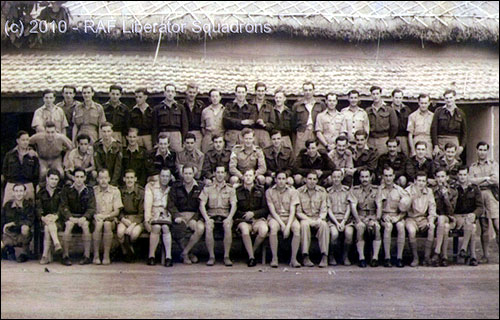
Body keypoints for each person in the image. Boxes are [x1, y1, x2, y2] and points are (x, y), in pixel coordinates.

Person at [199, 165, 237, 266]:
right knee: (208, 226)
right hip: (212, 214)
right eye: (218, 172)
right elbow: (202, 205)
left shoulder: (230, 189)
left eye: (222, 172)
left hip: (225, 215)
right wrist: (206, 218)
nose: (220, 175)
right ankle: (211, 256)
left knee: (227, 226)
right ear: (214, 174)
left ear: (225, 174)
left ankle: (226, 256)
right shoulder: (208, 188)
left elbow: (234, 205)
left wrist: (229, 218)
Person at [167, 166, 205, 265]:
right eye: (186, 174)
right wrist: (176, 216)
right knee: (178, 229)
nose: (188, 176)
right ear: (182, 174)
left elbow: (202, 205)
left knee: (200, 229)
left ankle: (185, 252)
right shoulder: (176, 186)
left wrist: (195, 218)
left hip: (195, 215)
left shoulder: (200, 187)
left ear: (193, 174)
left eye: (190, 173)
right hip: (180, 215)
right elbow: (171, 204)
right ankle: (189, 254)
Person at [469, 141, 499, 264]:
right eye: (480, 149)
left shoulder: (493, 164)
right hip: (479, 195)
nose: (482, 152)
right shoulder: (473, 166)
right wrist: (486, 178)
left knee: (497, 225)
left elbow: (496, 179)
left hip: (491, 195)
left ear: (488, 151)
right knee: (484, 227)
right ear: (477, 151)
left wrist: (480, 181)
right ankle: (485, 255)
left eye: (484, 150)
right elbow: (470, 181)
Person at [376, 166, 411, 268]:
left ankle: (399, 258)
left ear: (394, 176)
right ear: (383, 176)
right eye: (386, 176)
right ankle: (387, 258)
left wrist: (398, 217)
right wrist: (383, 216)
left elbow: (406, 209)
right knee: (388, 226)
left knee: (400, 226)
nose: (388, 178)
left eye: (390, 175)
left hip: (397, 216)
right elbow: (378, 207)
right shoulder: (380, 190)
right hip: (385, 216)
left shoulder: (400, 190)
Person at [59, 167, 95, 266]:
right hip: (70, 217)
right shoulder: (67, 190)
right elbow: (63, 206)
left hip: (84, 217)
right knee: (69, 225)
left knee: (85, 225)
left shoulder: (89, 190)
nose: (79, 179)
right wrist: (70, 217)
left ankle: (86, 256)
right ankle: (65, 256)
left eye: (81, 177)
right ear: (73, 178)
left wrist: (85, 217)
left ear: (85, 178)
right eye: (77, 176)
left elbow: (91, 208)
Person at [266, 171, 301, 268]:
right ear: (275, 180)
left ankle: (294, 259)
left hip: (289, 217)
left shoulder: (293, 192)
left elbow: (292, 211)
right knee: (273, 227)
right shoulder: (269, 192)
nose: (281, 181)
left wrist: (288, 226)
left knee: (297, 228)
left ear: (286, 180)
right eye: (279, 179)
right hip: (276, 217)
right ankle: (274, 258)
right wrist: (282, 225)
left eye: (283, 179)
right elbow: (272, 211)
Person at [234, 169, 269, 267]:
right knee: (245, 230)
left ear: (254, 177)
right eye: (246, 175)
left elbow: (265, 209)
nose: (248, 177)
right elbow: (234, 210)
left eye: (250, 175)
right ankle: (251, 258)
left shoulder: (261, 190)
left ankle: (251, 251)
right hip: (243, 219)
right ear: (243, 177)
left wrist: (253, 214)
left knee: (264, 230)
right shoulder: (237, 191)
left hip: (257, 218)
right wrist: (245, 215)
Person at [296, 171, 329, 268]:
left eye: (314, 179)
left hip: (318, 218)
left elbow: (324, 210)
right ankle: (305, 255)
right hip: (305, 218)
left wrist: (319, 219)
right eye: (310, 179)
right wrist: (309, 220)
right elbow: (298, 212)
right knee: (304, 225)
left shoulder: (322, 191)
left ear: (317, 180)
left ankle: (324, 255)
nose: (312, 181)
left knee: (324, 225)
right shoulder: (299, 192)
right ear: (305, 179)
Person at [350, 168, 382, 267]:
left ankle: (375, 258)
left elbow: (379, 206)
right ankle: (361, 258)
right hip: (359, 215)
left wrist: (376, 219)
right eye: (362, 177)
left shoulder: (377, 190)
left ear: (371, 178)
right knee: (360, 228)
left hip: (372, 216)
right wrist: (358, 220)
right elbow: (353, 207)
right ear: (359, 178)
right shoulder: (354, 190)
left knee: (377, 228)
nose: (365, 179)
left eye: (366, 177)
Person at [405, 172, 437, 267]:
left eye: (423, 181)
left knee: (431, 227)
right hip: (411, 218)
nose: (421, 183)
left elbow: (432, 207)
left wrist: (431, 221)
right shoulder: (408, 191)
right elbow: (404, 208)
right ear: (415, 181)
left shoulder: (429, 191)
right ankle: (415, 257)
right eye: (419, 180)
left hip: (423, 218)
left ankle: (427, 257)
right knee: (411, 231)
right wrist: (412, 198)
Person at [92, 168, 123, 265]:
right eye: (101, 178)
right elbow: (90, 207)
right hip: (97, 218)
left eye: (105, 178)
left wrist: (106, 216)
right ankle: (96, 255)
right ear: (97, 179)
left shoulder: (115, 191)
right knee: (99, 224)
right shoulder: (93, 191)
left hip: (110, 217)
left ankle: (106, 255)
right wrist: (95, 215)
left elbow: (117, 211)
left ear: (109, 179)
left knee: (107, 224)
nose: (103, 181)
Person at [454, 166, 483, 266]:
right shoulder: (454, 188)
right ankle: (472, 256)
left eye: (464, 175)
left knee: (472, 226)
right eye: (460, 175)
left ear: (468, 175)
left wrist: (474, 214)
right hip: (457, 217)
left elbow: (480, 207)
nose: (462, 177)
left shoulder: (474, 188)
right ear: (457, 175)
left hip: (469, 217)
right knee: (472, 226)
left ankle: (464, 250)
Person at [144, 168, 173, 267]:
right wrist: (147, 220)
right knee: (156, 227)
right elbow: (148, 204)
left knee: (165, 227)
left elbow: (172, 205)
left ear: (170, 178)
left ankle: (168, 257)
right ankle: (151, 256)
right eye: (163, 176)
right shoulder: (151, 187)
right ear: (159, 177)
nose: (165, 178)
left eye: (167, 176)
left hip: (166, 214)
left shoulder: (171, 188)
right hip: (154, 213)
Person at [326, 169, 356, 266]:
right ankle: (331, 255)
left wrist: (343, 221)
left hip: (345, 219)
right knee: (334, 234)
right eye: (334, 177)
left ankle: (345, 255)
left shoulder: (347, 191)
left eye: (338, 177)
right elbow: (329, 209)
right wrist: (337, 223)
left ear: (342, 178)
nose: (336, 179)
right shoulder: (328, 192)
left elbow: (349, 208)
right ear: (331, 178)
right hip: (333, 219)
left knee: (349, 234)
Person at [2, 130, 39, 206]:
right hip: (12, 184)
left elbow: (36, 172)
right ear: (18, 141)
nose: (25, 142)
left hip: (27, 184)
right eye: (23, 140)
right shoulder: (10, 155)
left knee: (30, 207)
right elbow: (5, 170)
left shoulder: (33, 156)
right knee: (7, 208)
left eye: (27, 140)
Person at [431, 167, 458, 267]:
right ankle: (444, 257)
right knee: (445, 228)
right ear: (435, 178)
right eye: (438, 177)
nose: (440, 179)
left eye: (442, 176)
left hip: (448, 218)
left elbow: (451, 211)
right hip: (435, 218)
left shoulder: (453, 191)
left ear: (446, 177)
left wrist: (446, 196)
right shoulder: (432, 191)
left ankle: (437, 251)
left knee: (443, 219)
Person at [1, 184, 35, 263]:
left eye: (21, 191)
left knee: (25, 228)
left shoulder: (28, 206)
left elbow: (30, 221)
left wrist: (14, 223)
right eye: (16, 191)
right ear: (13, 193)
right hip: (9, 235)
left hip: (22, 235)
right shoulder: (8, 205)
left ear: (24, 193)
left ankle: (24, 252)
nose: (18, 193)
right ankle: (8, 249)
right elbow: (2, 220)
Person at [36, 169, 64, 264]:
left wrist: (56, 216)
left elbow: (62, 207)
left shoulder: (61, 192)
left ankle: (44, 255)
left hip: (57, 221)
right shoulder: (41, 192)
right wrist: (42, 217)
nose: (54, 181)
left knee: (48, 227)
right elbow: (38, 207)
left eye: (56, 179)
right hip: (44, 219)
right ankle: (56, 243)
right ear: (47, 179)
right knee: (47, 224)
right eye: (52, 178)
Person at [292, 81, 326, 157]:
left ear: (314, 91)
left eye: (310, 90)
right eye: (306, 90)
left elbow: (324, 118)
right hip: (302, 132)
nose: (308, 92)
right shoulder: (297, 105)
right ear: (303, 91)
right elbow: (293, 122)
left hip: (315, 132)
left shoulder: (320, 104)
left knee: (316, 153)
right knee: (300, 153)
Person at [152, 83, 188, 153]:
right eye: (168, 91)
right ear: (164, 93)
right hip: (163, 134)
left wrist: (184, 140)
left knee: (178, 154)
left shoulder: (180, 107)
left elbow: (185, 125)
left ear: (175, 94)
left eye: (172, 91)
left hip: (176, 135)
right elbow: (154, 126)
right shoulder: (158, 108)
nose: (170, 94)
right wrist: (154, 142)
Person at [117, 169, 145, 262]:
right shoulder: (120, 191)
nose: (129, 180)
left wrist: (133, 224)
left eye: (131, 178)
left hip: (137, 220)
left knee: (133, 234)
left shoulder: (141, 192)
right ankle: (126, 252)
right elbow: (119, 209)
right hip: (125, 218)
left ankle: (132, 250)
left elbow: (142, 214)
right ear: (124, 179)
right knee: (120, 232)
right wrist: (123, 219)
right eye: (127, 178)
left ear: (135, 179)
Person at [431, 89, 467, 157]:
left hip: (454, 140)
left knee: (454, 162)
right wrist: (435, 145)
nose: (449, 100)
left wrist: (461, 147)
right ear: (444, 99)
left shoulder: (460, 113)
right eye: (446, 98)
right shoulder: (439, 111)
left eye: (451, 98)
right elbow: (433, 129)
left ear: (454, 98)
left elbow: (464, 132)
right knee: (440, 161)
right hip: (441, 140)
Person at [366, 86, 398, 157]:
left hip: (383, 138)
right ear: (371, 95)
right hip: (371, 139)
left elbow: (394, 126)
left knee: (382, 158)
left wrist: (389, 139)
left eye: (377, 93)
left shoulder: (389, 109)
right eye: (373, 94)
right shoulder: (368, 110)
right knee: (371, 158)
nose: (375, 96)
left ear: (380, 94)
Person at [223, 84, 257, 148]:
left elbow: (251, 122)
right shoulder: (229, 105)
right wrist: (241, 122)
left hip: (245, 136)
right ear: (235, 93)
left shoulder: (251, 107)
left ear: (246, 93)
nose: (241, 94)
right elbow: (226, 121)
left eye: (243, 92)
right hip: (231, 136)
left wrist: (233, 122)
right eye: (239, 92)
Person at [93, 122, 122, 186]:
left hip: (113, 178)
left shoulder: (118, 145)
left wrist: (112, 182)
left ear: (112, 132)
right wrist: (102, 179)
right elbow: (98, 164)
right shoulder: (97, 145)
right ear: (101, 132)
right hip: (101, 178)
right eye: (104, 131)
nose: (106, 134)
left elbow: (118, 166)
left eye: (108, 131)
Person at [180, 82, 206, 151]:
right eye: (190, 92)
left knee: (197, 153)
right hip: (184, 132)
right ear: (186, 92)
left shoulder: (200, 105)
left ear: (196, 93)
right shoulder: (181, 104)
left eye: (194, 93)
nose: (192, 94)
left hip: (197, 133)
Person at [407, 93, 434, 158]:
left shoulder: (433, 116)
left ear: (429, 103)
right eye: (422, 103)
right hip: (417, 141)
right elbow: (410, 134)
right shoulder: (412, 116)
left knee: (428, 163)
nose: (423, 105)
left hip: (428, 142)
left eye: (425, 103)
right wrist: (413, 150)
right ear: (418, 103)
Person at [251, 82, 275, 148]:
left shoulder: (269, 106)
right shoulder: (250, 104)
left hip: (265, 133)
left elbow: (272, 124)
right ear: (255, 91)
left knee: (266, 153)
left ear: (265, 92)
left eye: (262, 91)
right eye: (259, 91)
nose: (260, 93)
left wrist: (264, 124)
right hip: (252, 132)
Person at [200, 89, 225, 153]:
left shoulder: (225, 110)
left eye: (216, 96)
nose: (215, 98)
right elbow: (202, 126)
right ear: (210, 98)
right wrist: (207, 136)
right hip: (208, 137)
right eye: (213, 96)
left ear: (220, 97)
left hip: (221, 136)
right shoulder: (205, 111)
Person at [390, 88, 412, 156]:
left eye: (400, 98)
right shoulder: (388, 109)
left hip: (405, 138)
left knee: (406, 155)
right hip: (393, 137)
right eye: (396, 97)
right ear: (392, 98)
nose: (398, 100)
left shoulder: (407, 109)